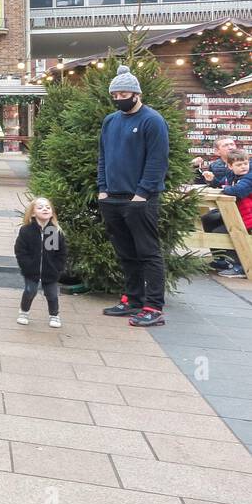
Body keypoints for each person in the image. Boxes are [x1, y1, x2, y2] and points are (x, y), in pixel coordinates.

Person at [97, 65, 170, 327]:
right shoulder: (110, 121)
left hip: (141, 200)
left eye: (124, 94)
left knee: (148, 253)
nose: (119, 99)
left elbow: (157, 161)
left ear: (137, 94)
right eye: (115, 95)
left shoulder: (152, 121)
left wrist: (142, 194)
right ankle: (133, 299)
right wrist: (102, 188)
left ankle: (153, 307)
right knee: (126, 252)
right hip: (112, 198)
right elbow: (103, 156)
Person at [14, 197, 68, 328]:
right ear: (33, 213)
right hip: (31, 270)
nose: (45, 209)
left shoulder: (54, 231)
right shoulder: (26, 230)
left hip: (50, 271)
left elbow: (60, 252)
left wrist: (57, 267)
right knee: (29, 291)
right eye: (40, 207)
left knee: (52, 294)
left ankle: (54, 315)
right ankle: (24, 312)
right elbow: (20, 250)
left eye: (48, 207)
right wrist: (26, 265)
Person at [202, 149, 252, 277]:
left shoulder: (250, 177)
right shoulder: (232, 175)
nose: (243, 167)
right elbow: (223, 184)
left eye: (245, 163)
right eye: (239, 165)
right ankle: (220, 260)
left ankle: (241, 265)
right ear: (230, 166)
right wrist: (212, 181)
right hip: (237, 213)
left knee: (221, 232)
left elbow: (237, 191)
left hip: (248, 217)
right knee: (208, 219)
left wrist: (226, 188)